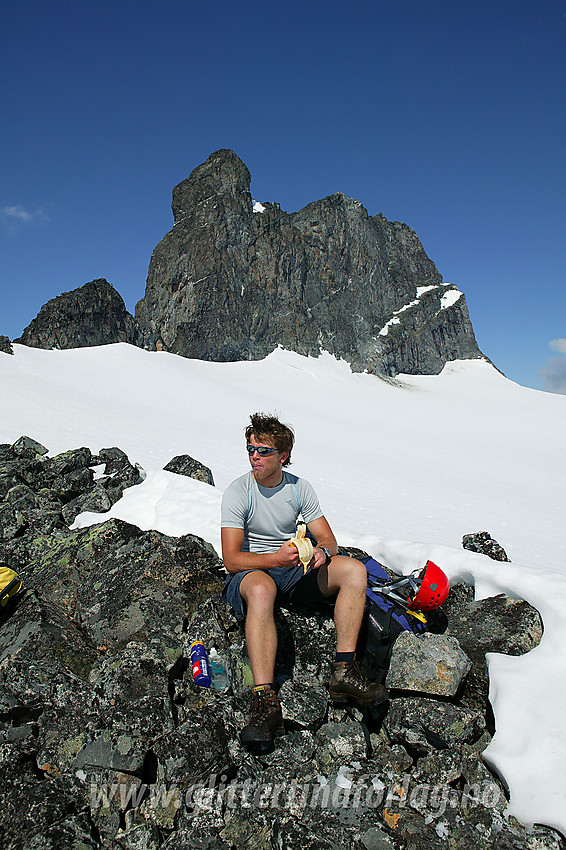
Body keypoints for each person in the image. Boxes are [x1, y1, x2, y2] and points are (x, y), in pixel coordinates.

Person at [221, 412, 388, 744]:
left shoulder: (299, 489)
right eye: (251, 449)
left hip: (293, 573)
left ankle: (343, 671)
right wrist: (274, 559)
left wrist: (323, 553)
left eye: (263, 450)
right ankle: (265, 700)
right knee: (261, 587)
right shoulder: (239, 492)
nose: (255, 456)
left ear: (283, 456)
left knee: (354, 570)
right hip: (253, 572)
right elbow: (231, 559)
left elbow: (328, 538)